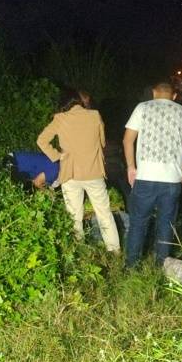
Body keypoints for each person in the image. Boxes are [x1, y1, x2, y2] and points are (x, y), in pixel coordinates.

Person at [123, 82, 182, 267]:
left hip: (145, 177)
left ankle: (131, 265)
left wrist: (131, 167)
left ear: (154, 93)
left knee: (138, 223)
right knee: (166, 224)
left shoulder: (142, 108)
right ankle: (163, 265)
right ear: (174, 96)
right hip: (171, 180)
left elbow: (127, 139)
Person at [37, 88, 120, 253]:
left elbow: (41, 140)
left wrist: (57, 155)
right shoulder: (95, 115)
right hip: (93, 173)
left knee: (74, 217)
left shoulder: (60, 119)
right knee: (104, 214)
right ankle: (114, 251)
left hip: (70, 174)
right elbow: (102, 142)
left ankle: (79, 253)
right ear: (80, 102)